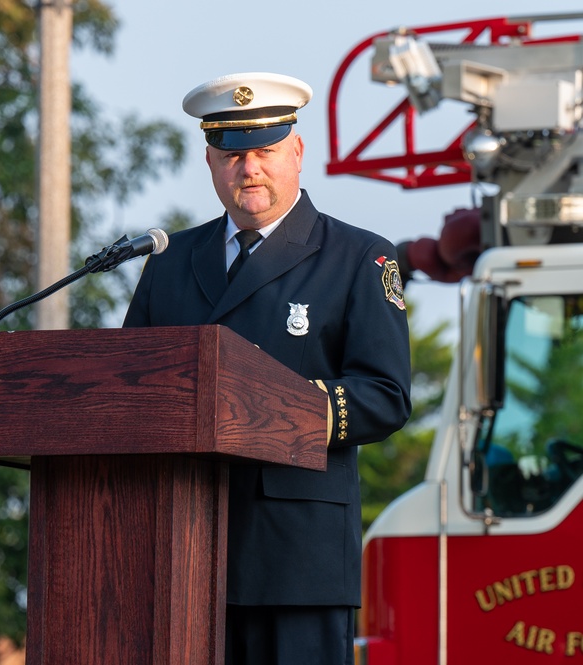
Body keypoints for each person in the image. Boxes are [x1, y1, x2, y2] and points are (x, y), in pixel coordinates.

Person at [123, 72, 412, 665]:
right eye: (232, 154)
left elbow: (385, 394)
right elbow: (130, 389)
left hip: (297, 557)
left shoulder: (360, 257)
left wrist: (268, 410)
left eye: (266, 151)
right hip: (180, 551)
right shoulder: (169, 262)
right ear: (209, 160)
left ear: (297, 153)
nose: (249, 169)